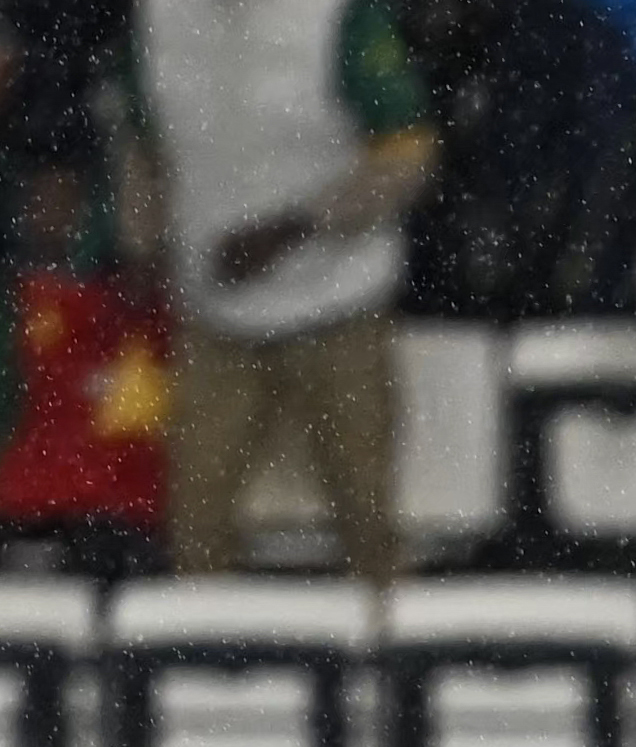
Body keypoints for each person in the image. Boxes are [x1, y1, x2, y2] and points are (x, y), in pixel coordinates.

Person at [127, 0, 435, 586]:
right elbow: (140, 141)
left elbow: (409, 151)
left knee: (368, 519)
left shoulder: (341, 14)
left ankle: (385, 639)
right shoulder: (156, 16)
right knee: (195, 525)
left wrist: (299, 225)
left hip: (338, 304)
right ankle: (205, 641)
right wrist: (142, 241)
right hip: (214, 316)